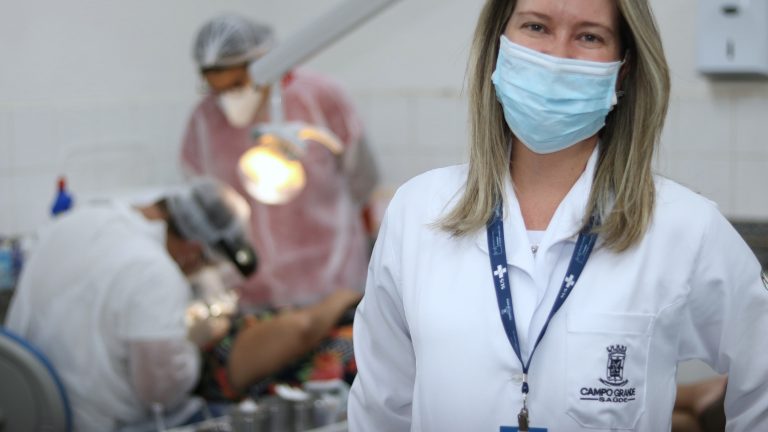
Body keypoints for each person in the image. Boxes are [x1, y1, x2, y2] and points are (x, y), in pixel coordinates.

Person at [348, 0, 768, 430]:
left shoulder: (685, 228)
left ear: (622, 69)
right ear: (499, 44)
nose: (557, 56)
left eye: (589, 36)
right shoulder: (418, 211)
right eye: (536, 27)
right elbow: (381, 407)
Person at [4, 178, 257, 430]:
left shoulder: (83, 217)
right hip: (90, 422)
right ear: (193, 251)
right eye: (203, 265)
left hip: (23, 404)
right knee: (239, 418)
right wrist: (190, 348)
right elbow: (160, 394)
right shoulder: (155, 272)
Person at [180, 14, 379, 308]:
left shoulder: (320, 97)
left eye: (237, 84)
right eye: (218, 90)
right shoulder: (204, 122)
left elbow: (362, 180)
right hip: (252, 293)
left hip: (331, 283)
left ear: (265, 65)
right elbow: (202, 202)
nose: (229, 99)